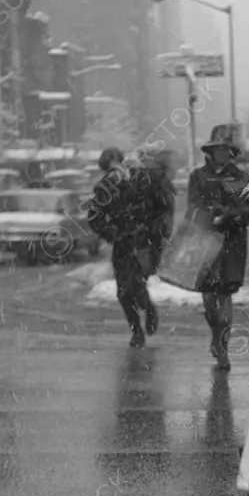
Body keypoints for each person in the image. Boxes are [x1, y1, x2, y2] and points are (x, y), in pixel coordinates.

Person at [185, 124, 249, 370]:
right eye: (217, 149)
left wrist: (232, 216)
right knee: (209, 300)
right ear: (210, 150)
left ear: (230, 152)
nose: (221, 153)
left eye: (225, 149)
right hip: (207, 244)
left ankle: (223, 348)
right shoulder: (198, 176)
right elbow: (192, 209)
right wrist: (208, 215)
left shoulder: (242, 178)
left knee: (225, 296)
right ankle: (216, 336)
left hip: (233, 244)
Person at [88, 147, 174, 348]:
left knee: (136, 284)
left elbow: (159, 206)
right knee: (123, 292)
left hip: (144, 240)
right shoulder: (103, 189)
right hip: (122, 243)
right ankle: (137, 330)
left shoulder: (141, 180)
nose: (114, 169)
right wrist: (113, 233)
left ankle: (148, 309)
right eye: (109, 166)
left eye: (116, 162)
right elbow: (94, 217)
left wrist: (155, 230)